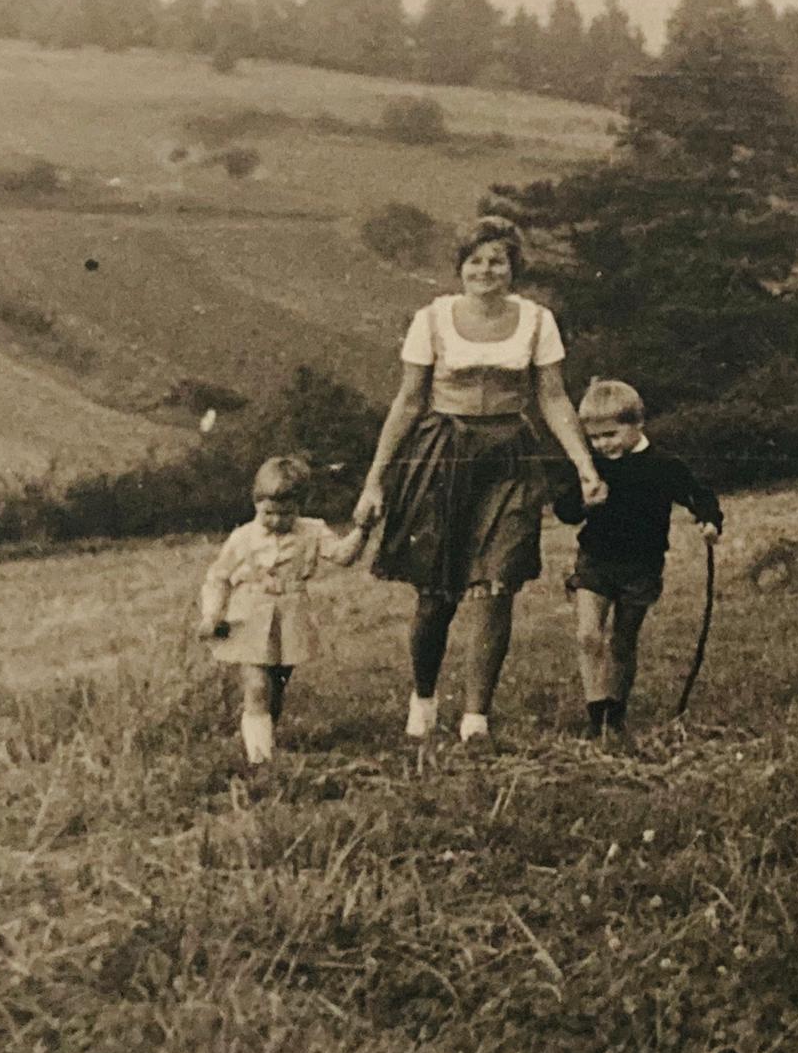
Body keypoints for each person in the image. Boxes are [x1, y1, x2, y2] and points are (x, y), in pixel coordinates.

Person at [354, 216, 605, 751]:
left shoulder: (538, 321)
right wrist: (375, 481)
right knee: (437, 593)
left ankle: (476, 718)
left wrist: (584, 464)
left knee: (498, 585)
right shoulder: (433, 318)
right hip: (442, 456)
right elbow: (408, 401)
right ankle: (423, 699)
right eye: (476, 260)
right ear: (461, 267)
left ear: (514, 268)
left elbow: (553, 398)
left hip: (510, 457)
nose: (486, 270)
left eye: (498, 260)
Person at [553, 379, 723, 742]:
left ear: (637, 424)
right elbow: (564, 509)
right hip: (596, 560)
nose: (603, 445)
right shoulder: (593, 465)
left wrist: (709, 520)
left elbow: (697, 493)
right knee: (587, 635)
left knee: (623, 642)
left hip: (641, 567)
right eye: (595, 438)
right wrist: (585, 501)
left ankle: (616, 711)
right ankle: (595, 715)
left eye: (611, 435)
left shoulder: (662, 465)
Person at [198, 456, 373, 765]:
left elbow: (343, 555)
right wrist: (212, 615)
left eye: (286, 513)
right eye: (269, 513)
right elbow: (218, 577)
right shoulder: (243, 538)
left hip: (290, 618)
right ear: (255, 503)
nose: (277, 521)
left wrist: (364, 529)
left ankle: (265, 736)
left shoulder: (313, 530)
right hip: (249, 615)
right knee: (256, 685)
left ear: (301, 506)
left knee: (275, 689)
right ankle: (259, 761)